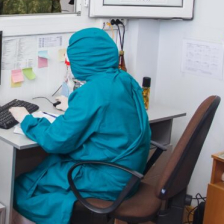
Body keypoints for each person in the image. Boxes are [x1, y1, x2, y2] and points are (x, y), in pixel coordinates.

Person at [9, 28, 151, 224]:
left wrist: (27, 119)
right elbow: (110, 113)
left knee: (22, 188)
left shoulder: (92, 92)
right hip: (129, 176)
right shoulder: (124, 78)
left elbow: (55, 140)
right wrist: (74, 106)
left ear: (83, 61)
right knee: (45, 169)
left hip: (107, 180)